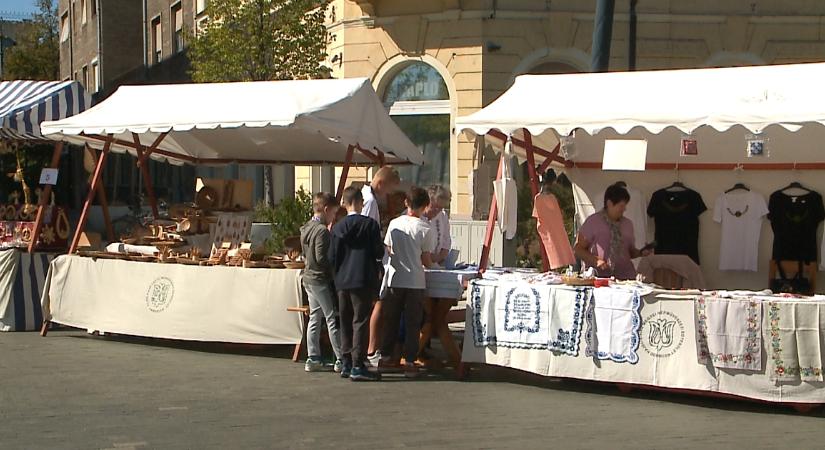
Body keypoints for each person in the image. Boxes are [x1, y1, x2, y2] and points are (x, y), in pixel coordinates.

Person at [380, 186, 436, 378]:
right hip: (415, 280)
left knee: (391, 320)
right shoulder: (425, 228)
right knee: (413, 323)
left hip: (395, 278)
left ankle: (386, 357)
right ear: (425, 205)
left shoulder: (395, 223)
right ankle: (410, 361)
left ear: (406, 203)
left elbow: (388, 247)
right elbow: (426, 259)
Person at [330, 187, 384, 381]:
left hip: (342, 280)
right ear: (361, 202)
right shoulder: (370, 225)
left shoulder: (337, 228)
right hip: (362, 278)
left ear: (344, 203)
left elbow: (332, 257)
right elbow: (378, 253)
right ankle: (358, 364)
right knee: (360, 321)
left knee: (344, 320)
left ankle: (345, 362)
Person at [300, 193, 343, 373]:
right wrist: (334, 266)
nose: (334, 217)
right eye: (333, 213)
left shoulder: (306, 227)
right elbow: (321, 258)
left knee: (315, 317)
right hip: (319, 279)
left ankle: (313, 356)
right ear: (326, 210)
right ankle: (341, 358)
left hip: (308, 277)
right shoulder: (322, 231)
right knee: (331, 317)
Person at [361, 166, 401, 363]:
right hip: (371, 260)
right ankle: (371, 348)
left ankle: (369, 348)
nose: (388, 196)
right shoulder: (370, 202)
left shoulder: (367, 198)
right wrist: (380, 251)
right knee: (378, 303)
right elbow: (367, 232)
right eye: (388, 191)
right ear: (381, 184)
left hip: (371, 258)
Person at [574, 183, 650, 280]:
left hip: (625, 278)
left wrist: (641, 252)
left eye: (625, 205)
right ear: (609, 203)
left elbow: (629, 252)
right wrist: (595, 260)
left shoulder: (627, 224)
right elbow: (578, 249)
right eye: (621, 206)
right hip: (599, 278)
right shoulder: (593, 222)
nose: (624, 209)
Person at [422, 185, 452, 266]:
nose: (437, 211)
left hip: (436, 264)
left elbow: (446, 242)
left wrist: (438, 258)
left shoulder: (442, 216)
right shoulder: (416, 216)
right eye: (434, 207)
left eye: (440, 208)